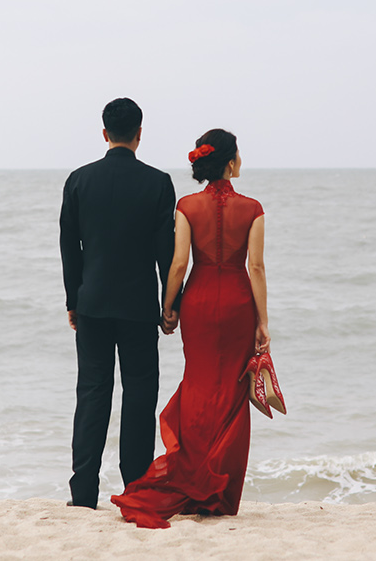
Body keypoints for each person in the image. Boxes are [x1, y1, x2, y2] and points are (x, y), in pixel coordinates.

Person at [110, 128, 270, 529]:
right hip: (237, 304)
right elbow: (256, 267)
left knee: (198, 385)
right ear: (231, 162)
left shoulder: (186, 205)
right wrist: (263, 321)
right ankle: (218, 491)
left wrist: (169, 308)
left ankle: (193, 473)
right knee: (232, 391)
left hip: (198, 302)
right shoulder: (252, 208)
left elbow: (179, 264)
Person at [60, 98, 177, 510]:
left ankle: (84, 494)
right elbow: (168, 250)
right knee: (140, 395)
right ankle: (136, 490)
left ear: (104, 132)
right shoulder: (158, 182)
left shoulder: (78, 180)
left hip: (91, 303)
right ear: (140, 133)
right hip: (139, 306)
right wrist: (170, 304)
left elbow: (69, 247)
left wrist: (72, 298)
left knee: (92, 393)